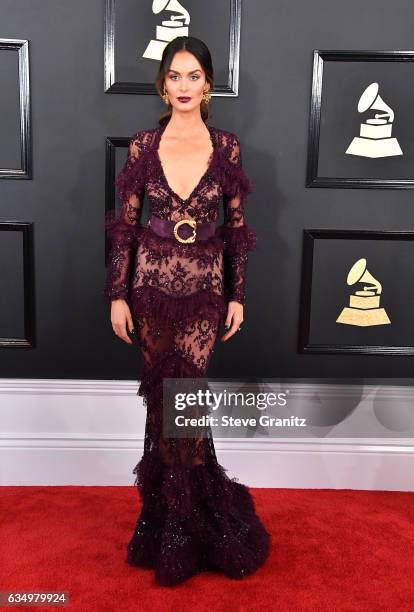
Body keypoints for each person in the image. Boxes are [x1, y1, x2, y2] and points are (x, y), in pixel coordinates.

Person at [103, 36, 271, 587]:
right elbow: (125, 229)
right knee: (161, 401)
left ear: (209, 83)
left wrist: (238, 296)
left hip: (204, 289)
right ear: (162, 83)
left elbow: (237, 231)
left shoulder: (227, 147)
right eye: (174, 76)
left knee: (187, 400)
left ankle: (192, 526)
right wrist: (118, 295)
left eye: (194, 76)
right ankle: (165, 523)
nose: (183, 86)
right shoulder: (142, 145)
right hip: (150, 286)